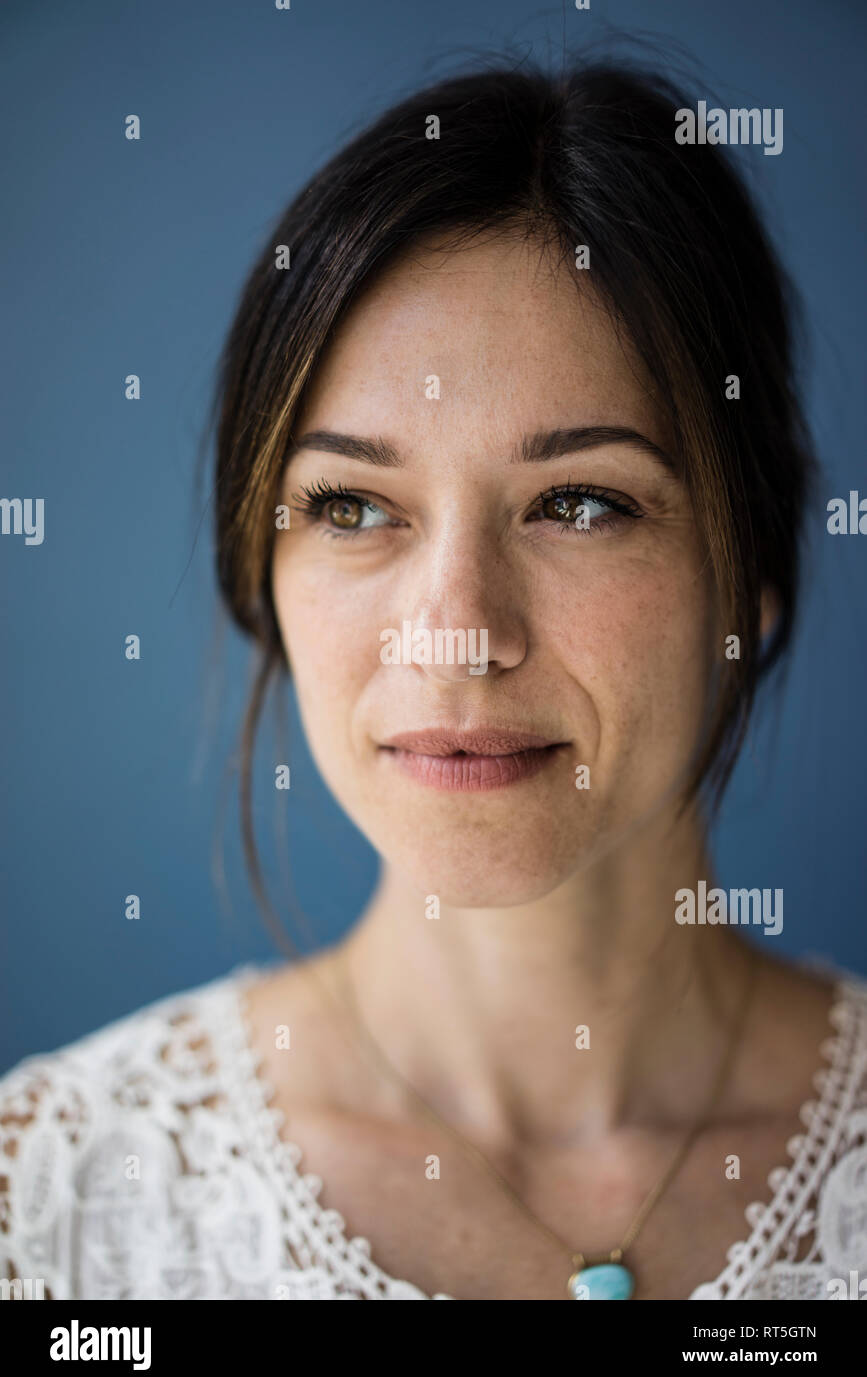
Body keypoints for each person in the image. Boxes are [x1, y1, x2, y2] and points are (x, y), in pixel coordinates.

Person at [2, 59, 866, 1302]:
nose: (458, 633)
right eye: (353, 505)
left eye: (580, 503)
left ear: (756, 567)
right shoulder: (50, 1204)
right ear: (263, 570)